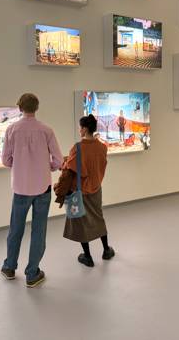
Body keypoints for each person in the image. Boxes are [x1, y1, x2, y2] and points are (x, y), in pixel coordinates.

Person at [0, 93, 63, 288]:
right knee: (39, 230)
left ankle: (10, 267)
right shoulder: (46, 130)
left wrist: (18, 166)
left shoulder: (11, 129)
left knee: (15, 228)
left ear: (20, 108)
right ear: (36, 108)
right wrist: (49, 167)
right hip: (42, 187)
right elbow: (59, 160)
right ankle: (32, 273)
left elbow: (5, 160)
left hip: (20, 187)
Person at [54, 114, 114, 267]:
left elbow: (70, 167)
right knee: (98, 218)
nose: (79, 130)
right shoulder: (102, 147)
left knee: (80, 223)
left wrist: (63, 163)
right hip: (96, 189)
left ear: (85, 129)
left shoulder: (78, 148)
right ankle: (106, 250)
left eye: (81, 127)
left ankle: (87, 257)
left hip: (79, 192)